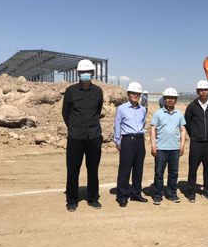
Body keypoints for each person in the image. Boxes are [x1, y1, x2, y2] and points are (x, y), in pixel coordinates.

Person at [62, 59, 104, 212]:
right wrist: (74, 127)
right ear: (78, 74)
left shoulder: (98, 91)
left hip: (93, 136)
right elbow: (65, 113)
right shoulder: (70, 91)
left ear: (92, 74)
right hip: (75, 137)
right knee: (73, 169)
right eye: (82, 72)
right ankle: (72, 200)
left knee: (93, 169)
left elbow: (98, 111)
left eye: (88, 72)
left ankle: (93, 199)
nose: (85, 74)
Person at [113, 82, 148, 207]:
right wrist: (118, 141)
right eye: (133, 93)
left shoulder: (143, 109)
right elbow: (117, 125)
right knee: (125, 169)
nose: (135, 95)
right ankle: (122, 196)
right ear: (128, 94)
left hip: (139, 140)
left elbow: (143, 123)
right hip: (128, 140)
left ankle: (136, 193)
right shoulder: (121, 109)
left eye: (137, 93)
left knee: (138, 169)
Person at [150, 88, 186, 204]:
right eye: (168, 98)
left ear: (175, 100)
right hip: (161, 149)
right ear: (164, 99)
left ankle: (172, 194)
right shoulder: (158, 114)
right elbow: (153, 130)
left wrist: (182, 145)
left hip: (174, 149)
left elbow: (182, 130)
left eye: (172, 98)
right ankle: (158, 195)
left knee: (173, 173)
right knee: (159, 173)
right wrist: (153, 146)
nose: (170, 100)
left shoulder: (179, 114)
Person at [184, 80, 208, 203]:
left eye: (206, 90)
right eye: (201, 90)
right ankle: (191, 192)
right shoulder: (192, 106)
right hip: (196, 142)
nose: (203, 92)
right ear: (197, 92)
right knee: (193, 168)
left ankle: (207, 191)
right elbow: (187, 122)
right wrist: (194, 134)